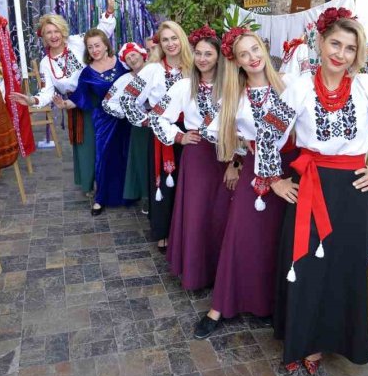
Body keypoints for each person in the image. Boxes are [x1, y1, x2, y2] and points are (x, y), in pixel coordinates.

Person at [257, 7, 368, 374]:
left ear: (356, 55)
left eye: (348, 48)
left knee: (342, 269)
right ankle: (300, 341)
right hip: (310, 187)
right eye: (335, 43)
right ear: (321, 42)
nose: (339, 53)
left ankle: (323, 345)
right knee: (306, 265)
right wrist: (275, 179)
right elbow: (268, 132)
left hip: (351, 192)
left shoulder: (367, 87)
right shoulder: (299, 85)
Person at [193, 29, 298, 339]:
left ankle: (268, 304)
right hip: (254, 170)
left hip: (290, 170)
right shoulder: (232, 97)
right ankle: (220, 306)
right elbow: (221, 134)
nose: (252, 57)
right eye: (244, 54)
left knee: (278, 240)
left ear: (264, 51)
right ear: (236, 62)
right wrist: (238, 160)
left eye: (256, 50)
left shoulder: (290, 87)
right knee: (239, 234)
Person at [8, 0, 116, 193]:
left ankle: (108, 185)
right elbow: (47, 92)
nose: (53, 35)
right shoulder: (45, 63)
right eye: (48, 32)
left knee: (105, 143)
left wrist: (109, 11)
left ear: (62, 31)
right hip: (75, 104)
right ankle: (90, 185)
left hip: (96, 99)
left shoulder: (77, 42)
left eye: (56, 30)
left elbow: (101, 34)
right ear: (44, 36)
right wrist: (31, 100)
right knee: (86, 148)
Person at [149, 25, 230, 290]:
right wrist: (179, 136)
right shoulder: (185, 86)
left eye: (208, 53)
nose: (203, 59)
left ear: (219, 56)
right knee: (197, 214)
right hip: (197, 157)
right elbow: (158, 116)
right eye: (198, 53)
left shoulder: (231, 85)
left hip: (227, 156)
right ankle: (196, 273)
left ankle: (220, 272)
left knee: (222, 214)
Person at [119, 20, 193, 251]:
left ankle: (186, 232)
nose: (171, 44)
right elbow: (127, 99)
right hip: (163, 134)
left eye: (174, 38)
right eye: (165, 40)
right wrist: (148, 120)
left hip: (192, 135)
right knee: (163, 184)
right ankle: (162, 230)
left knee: (189, 185)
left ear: (182, 39)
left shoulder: (194, 68)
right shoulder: (152, 70)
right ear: (159, 44)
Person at [60, 29, 131, 215]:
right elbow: (79, 98)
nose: (94, 50)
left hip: (126, 118)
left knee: (125, 154)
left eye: (97, 45)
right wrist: (64, 104)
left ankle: (128, 194)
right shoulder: (87, 73)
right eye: (90, 47)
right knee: (103, 158)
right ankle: (101, 199)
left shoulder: (122, 63)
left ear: (106, 44)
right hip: (103, 120)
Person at [103, 42, 150, 213]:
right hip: (140, 127)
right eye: (128, 57)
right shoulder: (124, 80)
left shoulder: (156, 71)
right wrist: (128, 113)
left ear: (142, 54)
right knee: (143, 162)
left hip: (163, 123)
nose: (132, 58)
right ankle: (146, 197)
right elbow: (107, 103)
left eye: (134, 54)